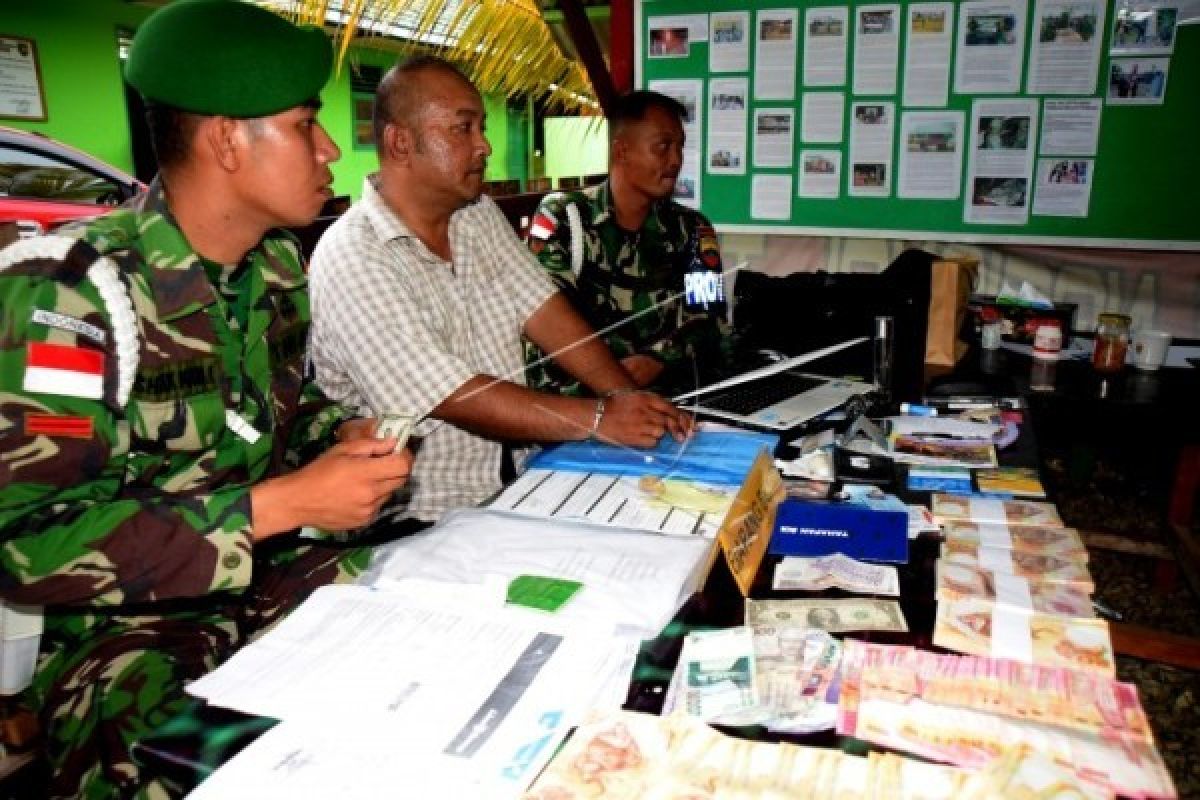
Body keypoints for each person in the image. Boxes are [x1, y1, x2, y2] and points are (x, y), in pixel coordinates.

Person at [0, 2, 412, 796]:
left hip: (274, 574)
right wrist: (275, 507)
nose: (330, 148)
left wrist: (344, 435)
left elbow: (274, 413)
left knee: (444, 630)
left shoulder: (278, 267)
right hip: (125, 630)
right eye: (305, 125)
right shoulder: (69, 294)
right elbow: (25, 543)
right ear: (227, 139)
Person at [307, 57, 691, 524]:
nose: (484, 146)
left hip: (519, 485)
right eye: (462, 129)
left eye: (481, 128)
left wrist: (625, 398)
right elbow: (451, 394)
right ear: (401, 143)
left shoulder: (476, 215)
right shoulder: (353, 254)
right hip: (420, 517)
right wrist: (599, 419)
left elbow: (545, 310)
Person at [525, 90, 733, 397]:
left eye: (679, 147)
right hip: (582, 408)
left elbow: (711, 322)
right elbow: (546, 324)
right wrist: (615, 374)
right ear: (621, 151)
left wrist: (657, 359)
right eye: (663, 146)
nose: (675, 160)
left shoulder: (691, 228)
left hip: (672, 402)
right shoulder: (566, 218)